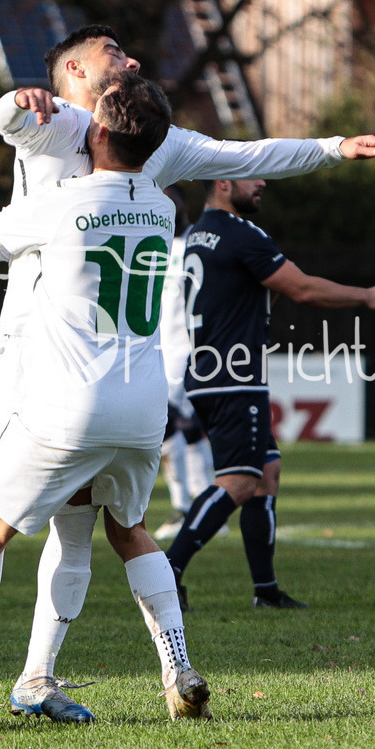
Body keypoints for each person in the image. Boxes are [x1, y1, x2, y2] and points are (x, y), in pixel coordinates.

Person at [0, 24, 375, 722]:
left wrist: (334, 147)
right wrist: (18, 102)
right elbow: (6, 121)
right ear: (73, 69)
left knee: (40, 528)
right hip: (33, 354)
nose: (130, 59)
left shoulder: (149, 141)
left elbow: (249, 153)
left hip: (82, 365)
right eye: (114, 54)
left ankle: (25, 678)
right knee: (44, 523)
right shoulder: (56, 121)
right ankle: (29, 677)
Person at [0, 72, 213, 732]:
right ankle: (179, 669)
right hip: (143, 411)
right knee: (127, 533)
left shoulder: (64, 200)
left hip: (69, 404)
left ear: (95, 131)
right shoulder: (162, 204)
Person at [165, 177, 375, 611]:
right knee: (239, 481)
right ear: (222, 182)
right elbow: (303, 289)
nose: (262, 181)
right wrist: (364, 294)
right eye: (251, 175)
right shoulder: (240, 234)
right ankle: (166, 574)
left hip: (210, 370)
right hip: (233, 376)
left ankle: (266, 590)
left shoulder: (197, 234)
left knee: (266, 474)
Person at [155, 184, 215, 541]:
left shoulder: (197, 245)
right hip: (158, 350)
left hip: (187, 351)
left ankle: (185, 507)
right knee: (187, 426)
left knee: (166, 424)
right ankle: (205, 505)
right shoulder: (155, 246)